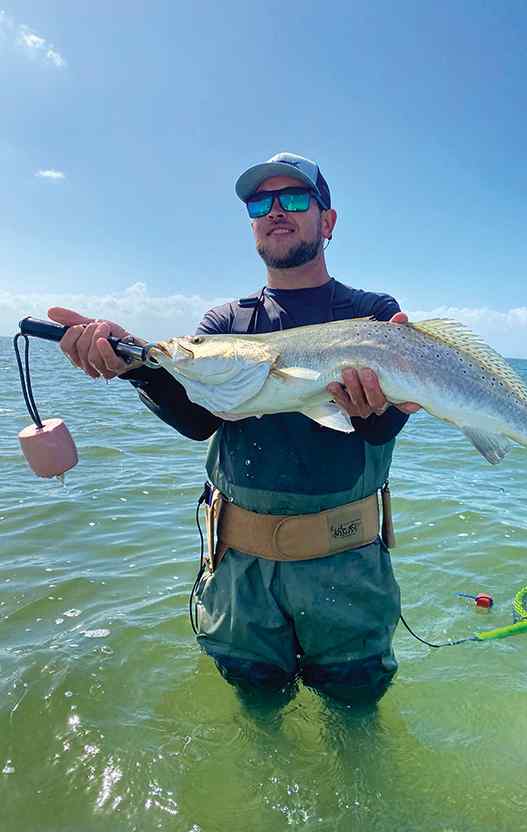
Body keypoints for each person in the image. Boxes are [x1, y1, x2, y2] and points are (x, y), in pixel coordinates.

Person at [49, 152, 419, 705]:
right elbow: (200, 419)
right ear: (251, 223)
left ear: (328, 220)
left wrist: (378, 409)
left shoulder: (370, 312)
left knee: (355, 712)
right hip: (239, 573)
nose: (276, 211)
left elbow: (380, 431)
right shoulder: (225, 324)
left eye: (294, 199)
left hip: (347, 567)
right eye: (259, 202)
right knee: (256, 709)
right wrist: (136, 369)